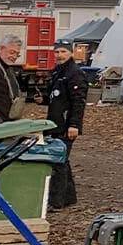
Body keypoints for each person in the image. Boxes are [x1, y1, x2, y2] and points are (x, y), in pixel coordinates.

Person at [45, 43, 87, 209]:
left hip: (66, 125)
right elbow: (57, 96)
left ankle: (56, 201)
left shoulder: (75, 73)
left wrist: (74, 124)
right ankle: (69, 197)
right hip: (55, 124)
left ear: (71, 53)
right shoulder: (58, 71)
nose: (59, 55)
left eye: (63, 52)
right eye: (56, 52)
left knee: (58, 161)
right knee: (62, 159)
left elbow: (78, 101)